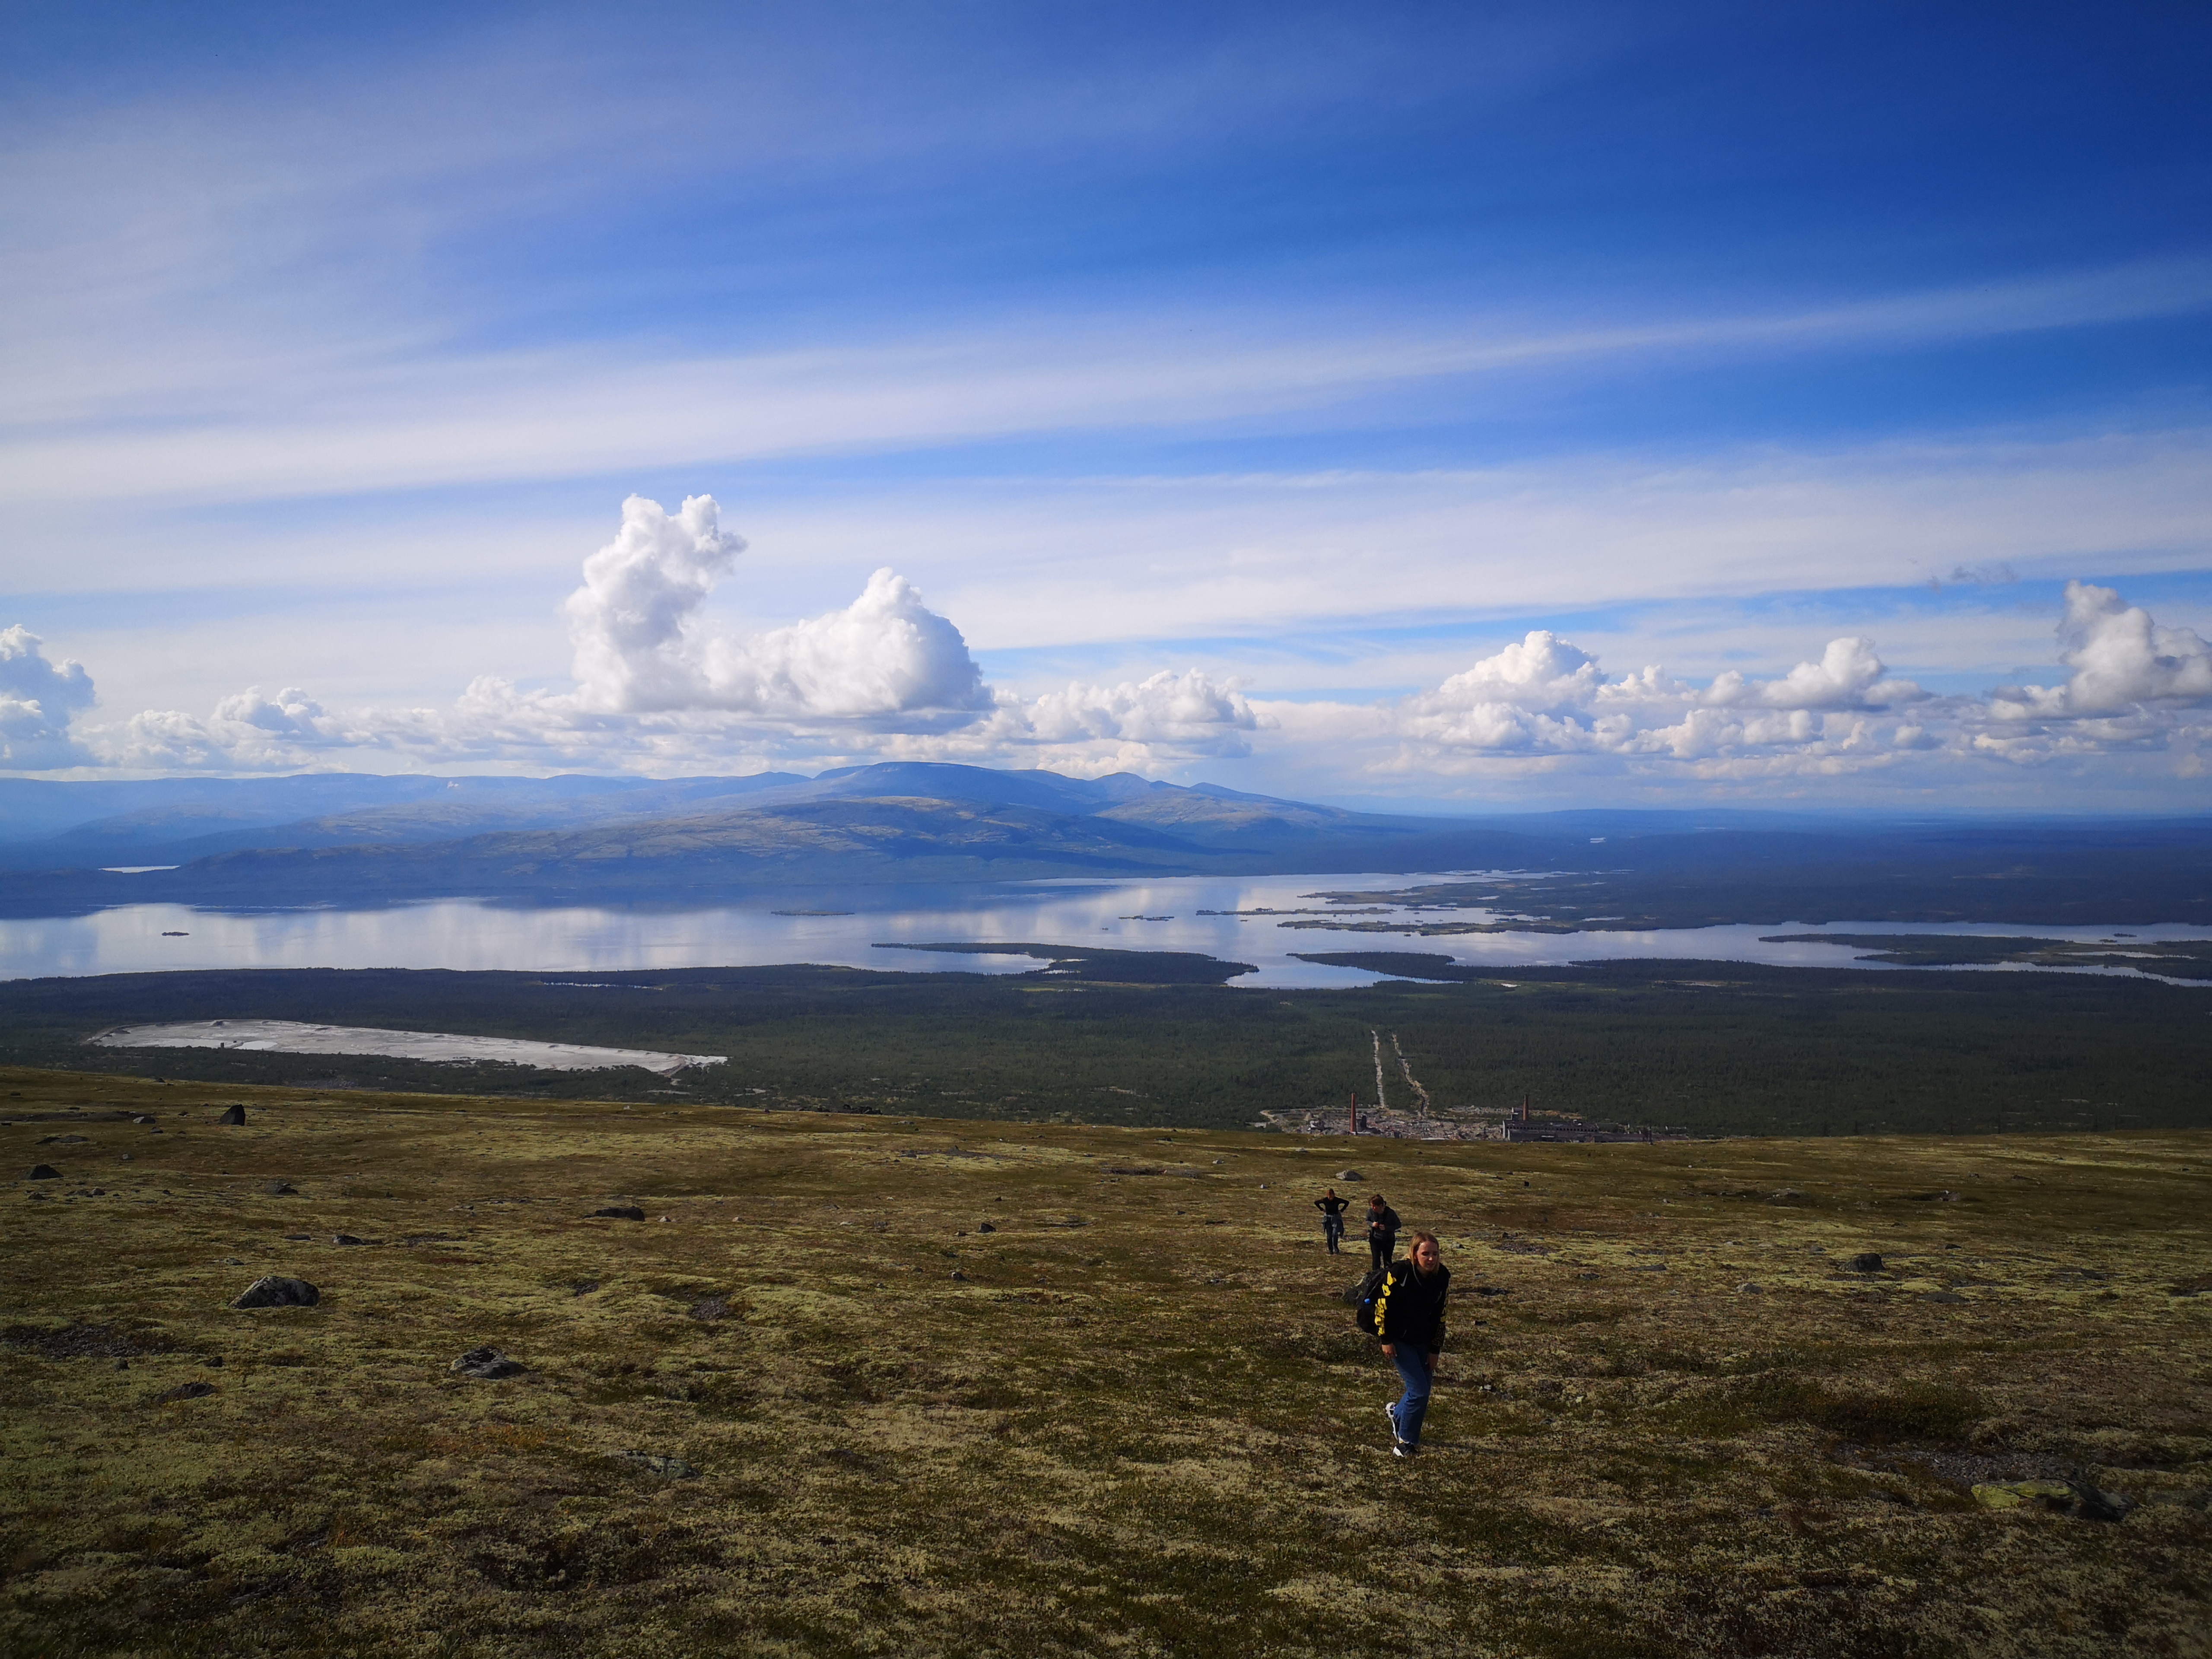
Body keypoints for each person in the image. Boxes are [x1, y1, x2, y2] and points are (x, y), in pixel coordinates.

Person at [1373, 1231, 1449, 1458]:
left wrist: (1435, 1349)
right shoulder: (1400, 1273)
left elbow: (1441, 1315)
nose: (1431, 1259)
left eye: (1435, 1254)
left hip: (1424, 1341)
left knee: (1421, 1390)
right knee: (1419, 1392)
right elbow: (1382, 1305)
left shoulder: (1442, 1277)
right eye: (1425, 1253)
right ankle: (1405, 1443)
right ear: (1414, 1254)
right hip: (1399, 1340)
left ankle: (1397, 1414)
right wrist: (1385, 1339)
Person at [1365, 1193, 1401, 1272]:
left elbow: (1398, 1225)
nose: (1373, 1208)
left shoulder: (1390, 1213)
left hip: (1388, 1240)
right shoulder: (1371, 1212)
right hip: (1375, 1239)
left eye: (1375, 1206)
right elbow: (1367, 1220)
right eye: (1372, 1206)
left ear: (1381, 1206)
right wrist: (1372, 1224)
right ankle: (1375, 1277)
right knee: (1376, 1260)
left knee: (1387, 1260)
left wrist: (1386, 1228)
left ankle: (1388, 1277)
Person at [1313, 1187, 1350, 1254]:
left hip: (1336, 1217)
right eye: (1329, 1196)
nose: (1331, 1198)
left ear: (1334, 1195)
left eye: (1332, 1196)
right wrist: (1322, 1210)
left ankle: (1336, 1247)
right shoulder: (1325, 1200)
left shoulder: (1337, 1200)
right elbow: (1316, 1203)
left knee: (1335, 1233)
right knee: (1329, 1235)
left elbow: (1347, 1202)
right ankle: (1330, 1250)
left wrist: (1342, 1210)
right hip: (1327, 1218)